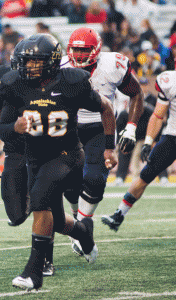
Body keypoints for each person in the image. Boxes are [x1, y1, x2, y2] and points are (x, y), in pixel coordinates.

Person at [0, 33, 117, 291]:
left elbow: (106, 108)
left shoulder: (73, 82)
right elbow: (3, 128)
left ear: (50, 62)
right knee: (57, 220)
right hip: (35, 157)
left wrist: (109, 148)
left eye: (33, 62)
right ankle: (83, 232)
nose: (26, 67)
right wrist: (16, 127)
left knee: (39, 197)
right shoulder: (16, 85)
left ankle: (34, 273)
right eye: (24, 62)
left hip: (68, 156)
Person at [60, 27, 143, 255]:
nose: (78, 55)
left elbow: (136, 93)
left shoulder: (112, 65)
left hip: (101, 126)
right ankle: (79, 220)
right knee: (68, 184)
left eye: (84, 50)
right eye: (75, 50)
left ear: (96, 50)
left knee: (95, 178)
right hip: (70, 127)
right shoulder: (60, 67)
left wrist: (131, 128)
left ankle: (84, 224)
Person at [0, 39, 56, 276]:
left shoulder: (56, 82)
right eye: (26, 62)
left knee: (43, 202)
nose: (31, 68)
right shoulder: (6, 82)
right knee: (15, 213)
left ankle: (45, 258)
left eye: (36, 62)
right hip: (15, 150)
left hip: (45, 150)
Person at [101, 70, 176, 232]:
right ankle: (119, 214)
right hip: (172, 135)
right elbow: (158, 115)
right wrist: (149, 142)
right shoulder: (170, 80)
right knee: (146, 174)